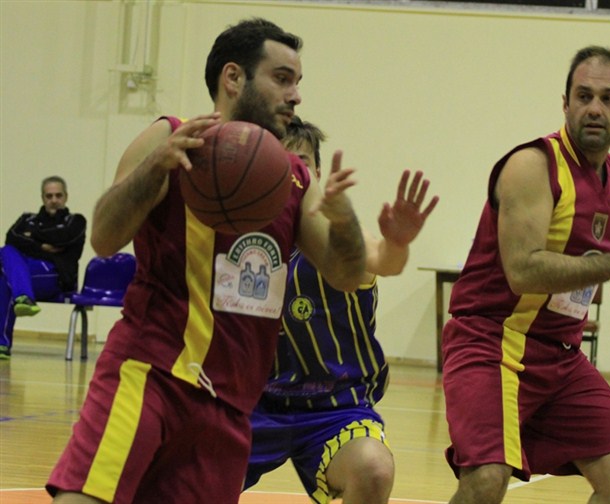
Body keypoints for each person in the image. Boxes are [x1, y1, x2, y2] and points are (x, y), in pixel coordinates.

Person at [46, 18, 371, 504]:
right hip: (150, 372)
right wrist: (155, 170)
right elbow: (105, 238)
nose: (296, 95)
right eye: (282, 79)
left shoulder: (295, 177)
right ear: (233, 77)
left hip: (230, 403)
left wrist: (345, 219)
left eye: (298, 82)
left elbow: (345, 275)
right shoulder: (169, 138)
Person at [442, 46, 610, 504]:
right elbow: (523, 270)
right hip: (491, 343)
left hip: (561, 357)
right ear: (565, 103)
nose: (595, 108)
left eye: (608, 98)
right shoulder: (532, 166)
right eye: (584, 96)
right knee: (485, 479)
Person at [244, 117, 439, 504]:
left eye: (299, 164)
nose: (289, 174)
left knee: (374, 469)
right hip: (255, 405)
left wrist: (397, 244)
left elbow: (383, 259)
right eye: (277, 163)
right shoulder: (242, 243)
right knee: (181, 471)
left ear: (316, 173)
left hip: (336, 407)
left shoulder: (339, 239)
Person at [0, 176, 86, 358]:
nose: (54, 200)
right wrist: (44, 247)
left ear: (66, 196)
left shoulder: (76, 221)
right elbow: (11, 238)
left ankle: (2, 343)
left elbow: (63, 238)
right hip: (25, 271)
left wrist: (31, 238)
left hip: (56, 275)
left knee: (6, 277)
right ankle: (23, 297)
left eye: (58, 195)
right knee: (6, 252)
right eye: (49, 196)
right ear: (42, 198)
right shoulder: (27, 218)